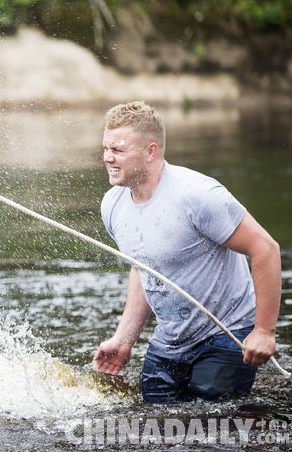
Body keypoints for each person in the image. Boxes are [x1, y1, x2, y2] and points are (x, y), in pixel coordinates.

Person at [92, 101, 281, 403]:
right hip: (170, 341)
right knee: (155, 431)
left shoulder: (197, 196)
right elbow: (144, 268)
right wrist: (124, 339)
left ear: (151, 151)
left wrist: (264, 331)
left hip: (225, 335)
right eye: (105, 148)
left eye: (118, 150)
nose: (107, 158)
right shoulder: (112, 205)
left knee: (211, 433)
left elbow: (266, 249)